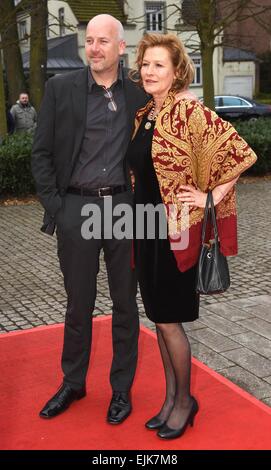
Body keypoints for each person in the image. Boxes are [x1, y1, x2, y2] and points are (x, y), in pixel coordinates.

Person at [127, 33, 257, 440]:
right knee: (158, 318)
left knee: (169, 321)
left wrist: (208, 197)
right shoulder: (146, 113)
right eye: (146, 64)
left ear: (176, 71)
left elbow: (240, 155)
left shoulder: (189, 112)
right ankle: (170, 399)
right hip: (145, 228)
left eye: (159, 65)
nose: (150, 71)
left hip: (176, 231)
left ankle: (185, 402)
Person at [31, 14, 147, 424]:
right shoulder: (61, 89)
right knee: (78, 305)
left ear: (121, 48)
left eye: (103, 41)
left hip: (124, 211)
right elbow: (41, 154)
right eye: (89, 41)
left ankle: (121, 390)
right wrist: (58, 209)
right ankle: (73, 383)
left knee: (124, 307)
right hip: (76, 210)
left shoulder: (138, 95)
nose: (94, 48)